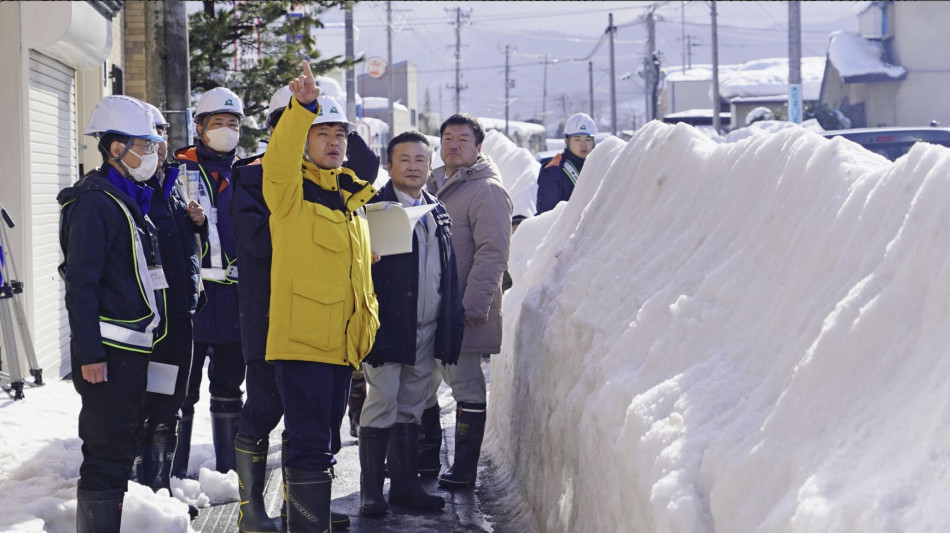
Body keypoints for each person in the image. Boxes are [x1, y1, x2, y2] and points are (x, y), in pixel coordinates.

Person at [230, 84, 378, 532]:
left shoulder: (347, 197)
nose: (334, 142)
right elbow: (277, 169)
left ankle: (303, 513)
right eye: (321, 132)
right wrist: (304, 108)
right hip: (291, 331)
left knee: (319, 440)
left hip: (336, 340)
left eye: (341, 134)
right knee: (291, 431)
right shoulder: (283, 185)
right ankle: (256, 510)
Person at [58, 95, 168, 532]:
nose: (152, 153)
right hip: (107, 351)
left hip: (130, 347)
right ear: (115, 148)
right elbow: (81, 284)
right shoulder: (95, 202)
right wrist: (90, 355)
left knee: (120, 449)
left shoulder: (126, 198)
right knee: (105, 453)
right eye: (144, 145)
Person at [358, 131, 464, 517]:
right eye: (404, 159)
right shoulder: (373, 208)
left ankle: (405, 486)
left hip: (427, 327)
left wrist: (450, 325)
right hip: (388, 326)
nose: (413, 167)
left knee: (412, 408)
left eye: (421, 159)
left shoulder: (436, 208)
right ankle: (372, 491)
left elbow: (447, 271)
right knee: (381, 402)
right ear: (389, 165)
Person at [425, 113, 512, 489]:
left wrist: (473, 306)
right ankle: (425, 462)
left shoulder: (486, 190)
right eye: (447, 138)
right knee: (421, 384)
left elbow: (493, 252)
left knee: (466, 386)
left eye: (462, 138)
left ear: (479, 147)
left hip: (460, 310)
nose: (453, 144)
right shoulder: (431, 184)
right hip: (428, 307)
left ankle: (463, 470)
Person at [131, 103, 205, 516]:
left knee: (170, 399)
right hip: (148, 319)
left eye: (161, 138)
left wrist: (197, 224)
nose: (159, 147)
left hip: (179, 312)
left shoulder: (171, 183)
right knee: (148, 400)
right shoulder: (126, 188)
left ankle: (159, 486)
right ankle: (142, 488)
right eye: (150, 139)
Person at [173, 86, 246, 477]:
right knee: (183, 390)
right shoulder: (176, 172)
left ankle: (231, 474)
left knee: (230, 387)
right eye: (218, 123)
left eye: (233, 124)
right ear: (199, 128)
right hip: (193, 301)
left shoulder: (250, 174)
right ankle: (175, 473)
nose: (226, 130)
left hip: (236, 303)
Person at [535, 112, 597, 215]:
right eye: (577, 139)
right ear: (566, 140)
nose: (583, 145)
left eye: (588, 139)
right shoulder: (554, 171)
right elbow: (545, 216)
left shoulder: (597, 166)